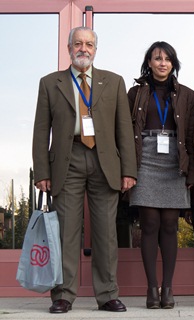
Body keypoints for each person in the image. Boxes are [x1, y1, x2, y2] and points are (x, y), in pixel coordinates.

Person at [32, 26, 137, 313]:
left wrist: (128, 169)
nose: (83, 49)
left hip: (105, 162)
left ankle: (108, 295)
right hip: (67, 160)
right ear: (68, 48)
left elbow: (123, 131)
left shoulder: (113, 82)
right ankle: (63, 295)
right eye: (77, 43)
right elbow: (41, 131)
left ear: (95, 49)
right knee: (66, 232)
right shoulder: (49, 83)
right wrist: (41, 171)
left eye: (89, 44)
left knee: (106, 233)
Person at [127, 41, 194, 309]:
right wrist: (128, 170)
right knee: (149, 225)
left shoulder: (188, 95)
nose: (162, 63)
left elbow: (192, 137)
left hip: (175, 160)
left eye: (167, 59)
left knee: (170, 225)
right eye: (157, 58)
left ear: (173, 63)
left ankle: (167, 288)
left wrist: (192, 173)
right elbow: (125, 133)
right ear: (149, 62)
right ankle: (151, 289)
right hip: (144, 158)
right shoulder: (134, 94)